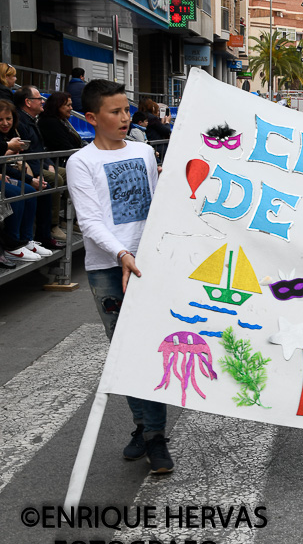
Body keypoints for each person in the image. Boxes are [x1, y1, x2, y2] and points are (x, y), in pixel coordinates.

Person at [66, 79, 173, 474]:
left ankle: (153, 434)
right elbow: (89, 221)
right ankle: (148, 430)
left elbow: (159, 204)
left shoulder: (145, 152)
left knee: (147, 348)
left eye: (127, 110)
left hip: (149, 264)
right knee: (124, 352)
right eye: (115, 112)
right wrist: (122, 253)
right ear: (92, 118)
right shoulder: (81, 162)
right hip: (109, 268)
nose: (125, 118)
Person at [0, 99, 51, 263]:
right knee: (17, 192)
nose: (5, 123)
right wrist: (8, 149)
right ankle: (12, 245)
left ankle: (26, 240)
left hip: (6, 176)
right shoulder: (7, 141)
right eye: (0, 119)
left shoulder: (12, 135)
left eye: (8, 118)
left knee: (29, 190)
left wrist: (30, 179)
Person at [14, 86, 64, 245]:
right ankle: (51, 226)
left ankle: (70, 220)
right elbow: (26, 153)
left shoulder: (31, 119)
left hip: (40, 162)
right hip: (31, 166)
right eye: (39, 99)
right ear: (28, 102)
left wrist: (48, 163)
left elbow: (40, 148)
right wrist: (38, 170)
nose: (43, 101)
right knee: (55, 180)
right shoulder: (21, 122)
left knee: (69, 172)